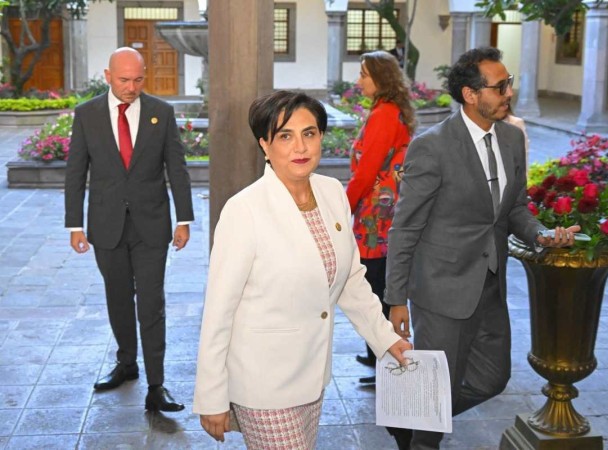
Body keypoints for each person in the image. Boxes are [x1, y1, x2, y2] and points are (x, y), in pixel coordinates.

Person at [384, 47, 580, 449]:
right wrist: (396, 298)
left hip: (490, 286)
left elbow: (516, 209)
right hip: (440, 288)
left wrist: (541, 233)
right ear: (471, 95)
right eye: (500, 85)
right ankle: (422, 436)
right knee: (440, 384)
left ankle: (412, 421)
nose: (508, 92)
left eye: (509, 83)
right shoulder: (433, 146)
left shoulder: (510, 138)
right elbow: (405, 226)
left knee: (493, 378)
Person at [193, 90, 412, 448]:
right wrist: (212, 395)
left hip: (311, 377)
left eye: (309, 133)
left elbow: (351, 281)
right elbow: (219, 311)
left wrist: (385, 338)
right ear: (264, 144)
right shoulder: (244, 210)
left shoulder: (331, 192)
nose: (301, 147)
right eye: (285, 136)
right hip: (263, 384)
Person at [65, 47, 194, 412]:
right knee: (118, 299)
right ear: (108, 75)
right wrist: (75, 225)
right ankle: (126, 364)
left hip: (152, 226)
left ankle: (157, 385)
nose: (131, 87)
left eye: (138, 79)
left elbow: (177, 169)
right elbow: (76, 173)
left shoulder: (161, 113)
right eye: (123, 80)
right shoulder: (87, 114)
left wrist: (184, 220)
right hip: (106, 226)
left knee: (151, 303)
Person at [348, 50, 414, 372]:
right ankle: (379, 355)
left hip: (377, 216)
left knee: (375, 287)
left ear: (380, 78)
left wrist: (341, 207)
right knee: (378, 283)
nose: (359, 81)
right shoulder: (388, 110)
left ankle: (385, 361)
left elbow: (365, 172)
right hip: (382, 212)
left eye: (364, 75)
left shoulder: (385, 114)